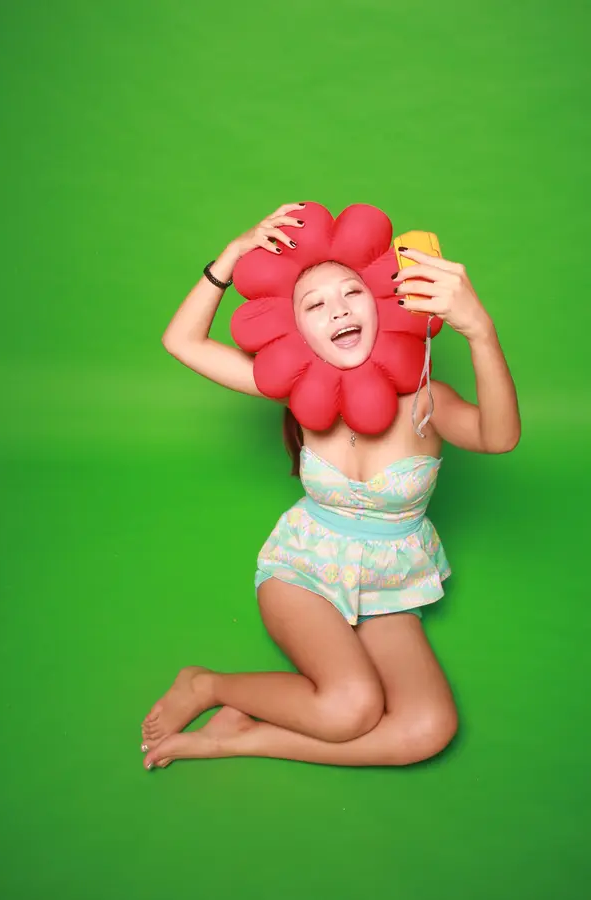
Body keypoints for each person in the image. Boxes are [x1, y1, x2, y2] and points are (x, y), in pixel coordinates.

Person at [141, 202, 520, 770]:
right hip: (304, 570)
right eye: (315, 305)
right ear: (297, 331)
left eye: (351, 294)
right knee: (351, 707)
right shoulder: (295, 387)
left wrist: (479, 331)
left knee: (429, 728)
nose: (338, 310)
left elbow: (499, 437)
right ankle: (207, 685)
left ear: (382, 303)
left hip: (389, 582)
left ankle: (237, 737)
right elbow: (182, 341)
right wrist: (234, 255)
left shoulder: (425, 399)